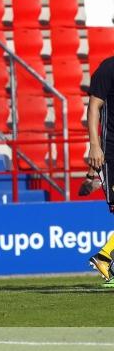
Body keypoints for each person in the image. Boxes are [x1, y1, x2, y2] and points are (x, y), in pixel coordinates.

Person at [86, 55, 114, 287]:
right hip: (111, 150)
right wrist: (94, 146)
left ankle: (105, 258)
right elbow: (94, 106)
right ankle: (104, 257)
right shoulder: (108, 67)